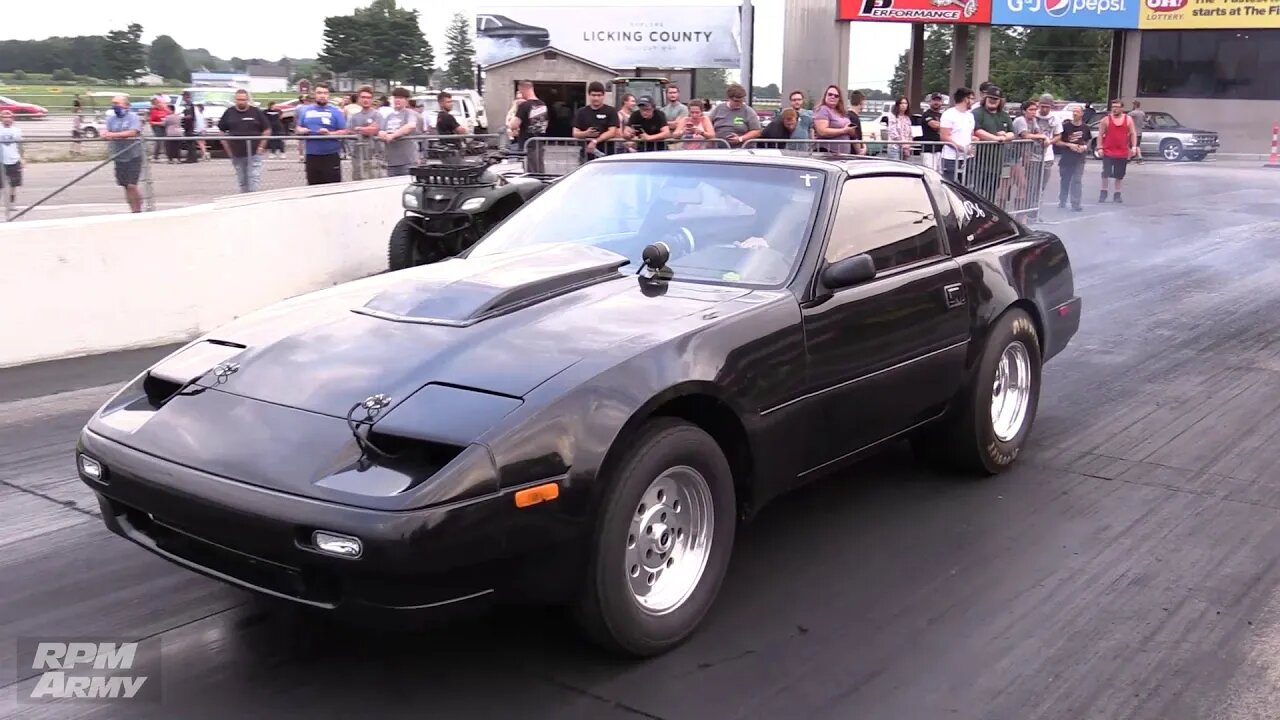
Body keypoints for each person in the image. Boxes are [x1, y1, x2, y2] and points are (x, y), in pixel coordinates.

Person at [217, 89, 272, 193]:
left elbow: (267, 129)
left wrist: (261, 146)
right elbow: (221, 130)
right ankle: (244, 199)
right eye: (239, 99)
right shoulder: (229, 112)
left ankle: (253, 200)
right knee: (242, 180)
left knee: (254, 179)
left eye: (243, 99)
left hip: (254, 153)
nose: (241, 102)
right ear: (235, 100)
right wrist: (227, 147)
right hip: (236, 153)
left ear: (247, 99)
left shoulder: (256, 112)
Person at [294, 82, 348, 185]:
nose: (322, 95)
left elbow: (345, 131)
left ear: (329, 95)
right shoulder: (305, 110)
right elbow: (298, 128)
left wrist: (329, 134)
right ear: (314, 94)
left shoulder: (336, 111)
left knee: (333, 188)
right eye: (319, 93)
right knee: (313, 187)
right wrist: (302, 130)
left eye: (325, 93)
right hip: (312, 155)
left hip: (331, 155)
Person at [101, 95, 144, 213]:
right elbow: (107, 132)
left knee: (132, 184)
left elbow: (133, 132)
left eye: (117, 103)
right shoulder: (111, 119)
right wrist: (105, 134)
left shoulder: (132, 117)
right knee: (125, 185)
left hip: (133, 154)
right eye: (113, 103)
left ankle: (138, 210)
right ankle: (132, 209)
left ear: (126, 105)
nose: (115, 106)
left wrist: (112, 135)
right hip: (119, 155)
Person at [1097, 99, 1137, 203]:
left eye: (1117, 107)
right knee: (1106, 173)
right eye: (1113, 107)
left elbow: (1133, 133)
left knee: (1119, 175)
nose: (1114, 109)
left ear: (1121, 108)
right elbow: (1100, 134)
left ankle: (1117, 194)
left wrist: (1133, 147)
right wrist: (1099, 147)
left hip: (1122, 151)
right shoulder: (1105, 120)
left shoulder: (1128, 119)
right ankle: (1103, 192)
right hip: (1108, 151)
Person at [377, 87, 423, 177]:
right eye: (396, 97)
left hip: (408, 160)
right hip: (391, 161)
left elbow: (411, 126)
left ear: (407, 100)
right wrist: (382, 134)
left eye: (401, 98)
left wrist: (393, 135)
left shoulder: (410, 113)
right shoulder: (389, 116)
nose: (397, 100)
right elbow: (381, 130)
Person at [1054, 104, 1091, 211]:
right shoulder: (1065, 127)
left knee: (1077, 180)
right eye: (1073, 112)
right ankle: (1062, 200)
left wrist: (1084, 147)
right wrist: (1069, 145)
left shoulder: (1085, 127)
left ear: (1082, 114)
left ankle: (1076, 203)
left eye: (1077, 112)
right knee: (1065, 180)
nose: (1075, 114)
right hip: (1066, 158)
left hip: (1079, 159)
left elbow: (1088, 141)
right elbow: (1058, 142)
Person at [571, 81, 620, 158]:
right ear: (589, 95)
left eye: (599, 95)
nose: (596, 98)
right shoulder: (581, 112)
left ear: (604, 95)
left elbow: (612, 132)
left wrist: (595, 141)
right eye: (593, 95)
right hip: (586, 154)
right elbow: (575, 133)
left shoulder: (611, 111)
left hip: (606, 153)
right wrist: (586, 133)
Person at [939, 87, 976, 183]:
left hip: (968, 158)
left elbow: (970, 134)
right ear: (965, 99)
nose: (973, 101)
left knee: (967, 187)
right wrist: (961, 148)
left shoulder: (970, 115)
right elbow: (944, 136)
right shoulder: (949, 114)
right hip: (951, 158)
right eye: (971, 98)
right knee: (951, 187)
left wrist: (973, 142)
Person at [0, 110, 22, 208]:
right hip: (1, 161)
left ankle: (12, 204)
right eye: (4, 117)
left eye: (9, 117)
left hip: (13, 160)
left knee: (13, 184)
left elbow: (20, 145)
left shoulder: (17, 130)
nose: (7, 119)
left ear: (12, 119)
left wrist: (22, 158)